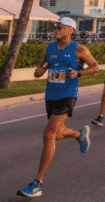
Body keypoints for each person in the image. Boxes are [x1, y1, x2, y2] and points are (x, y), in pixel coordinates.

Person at [18, 17, 98, 198]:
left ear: (70, 30)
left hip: (68, 94)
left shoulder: (79, 49)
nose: (55, 30)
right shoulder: (50, 48)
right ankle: (79, 134)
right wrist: (39, 71)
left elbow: (95, 67)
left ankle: (37, 183)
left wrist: (79, 73)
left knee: (49, 135)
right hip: (51, 94)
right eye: (55, 27)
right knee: (57, 133)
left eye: (59, 27)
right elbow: (39, 69)